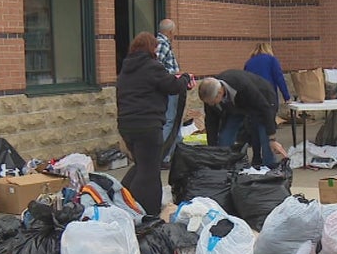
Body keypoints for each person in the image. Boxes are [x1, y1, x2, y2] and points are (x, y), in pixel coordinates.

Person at [116, 32, 193, 216]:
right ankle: (148, 212)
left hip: (127, 126)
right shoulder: (152, 67)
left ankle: (121, 197)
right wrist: (185, 78)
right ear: (152, 49)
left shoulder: (125, 69)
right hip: (148, 126)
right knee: (149, 172)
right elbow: (172, 87)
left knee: (142, 165)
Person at [197, 71, 286, 166]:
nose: (211, 105)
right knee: (225, 137)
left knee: (266, 140)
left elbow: (265, 110)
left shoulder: (243, 85)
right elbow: (211, 122)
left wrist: (272, 139)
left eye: (212, 102)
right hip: (236, 106)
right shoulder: (209, 93)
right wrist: (213, 149)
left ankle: (270, 169)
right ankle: (224, 166)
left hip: (263, 101)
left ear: (220, 92)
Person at [155, 19, 183, 167]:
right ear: (170, 31)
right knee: (170, 121)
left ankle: (176, 153)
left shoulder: (162, 43)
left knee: (174, 121)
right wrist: (173, 77)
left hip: (172, 86)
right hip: (170, 88)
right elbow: (157, 67)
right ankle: (163, 157)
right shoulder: (162, 43)